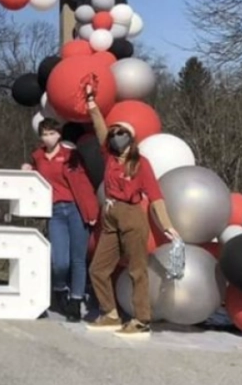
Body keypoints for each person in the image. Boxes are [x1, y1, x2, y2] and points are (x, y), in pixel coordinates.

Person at [85, 86, 179, 336]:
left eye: (121, 133)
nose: (116, 136)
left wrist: (167, 225)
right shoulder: (109, 157)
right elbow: (99, 130)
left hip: (132, 216)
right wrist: (92, 104)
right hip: (111, 217)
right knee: (98, 269)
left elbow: (155, 196)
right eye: (114, 132)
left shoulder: (141, 163)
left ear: (131, 137)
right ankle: (110, 314)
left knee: (137, 269)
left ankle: (141, 319)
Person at [21, 118, 99, 322]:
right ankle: (59, 288)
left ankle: (75, 300)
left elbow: (83, 184)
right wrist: (28, 169)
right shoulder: (37, 156)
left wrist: (91, 212)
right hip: (55, 212)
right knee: (59, 261)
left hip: (75, 210)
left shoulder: (71, 155)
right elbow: (36, 180)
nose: (48, 137)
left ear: (59, 134)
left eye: (52, 133)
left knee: (78, 259)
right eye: (44, 134)